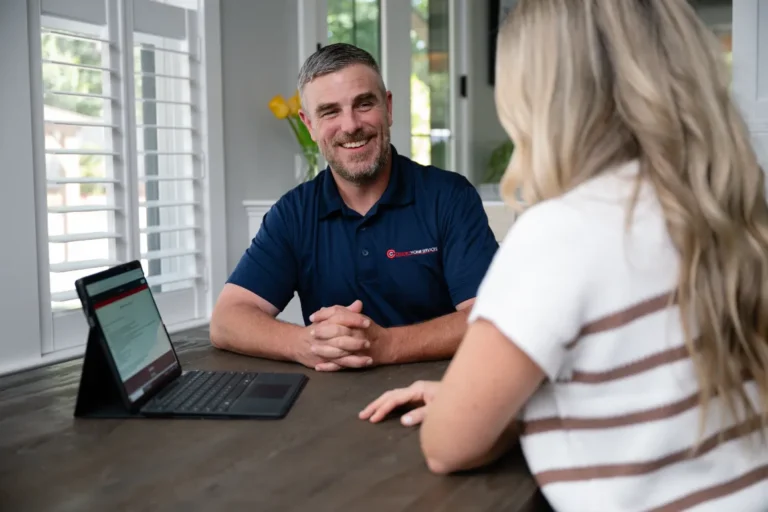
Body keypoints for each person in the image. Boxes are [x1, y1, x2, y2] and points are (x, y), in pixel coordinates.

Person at [359, 0, 768, 510]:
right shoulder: (722, 204)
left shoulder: (562, 233)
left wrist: (486, 408)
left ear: (542, 98)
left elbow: (447, 446)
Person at [210, 43, 498, 372]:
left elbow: (488, 318)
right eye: (330, 111)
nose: (350, 126)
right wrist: (304, 343)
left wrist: (388, 345)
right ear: (310, 125)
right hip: (329, 405)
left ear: (388, 107)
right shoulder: (294, 213)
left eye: (363, 104)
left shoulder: (449, 197)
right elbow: (226, 320)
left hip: (435, 398)